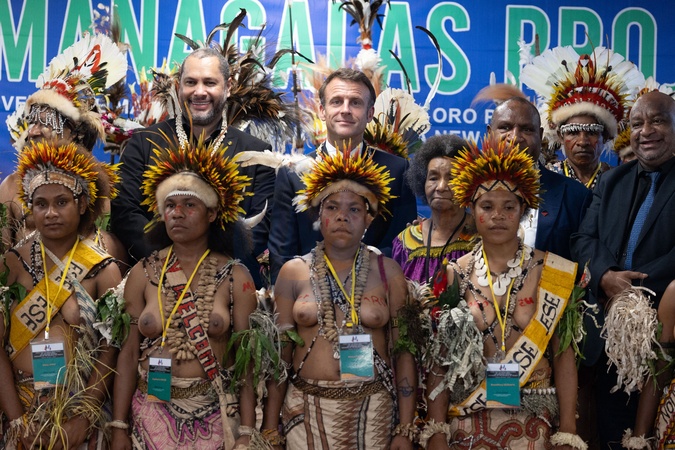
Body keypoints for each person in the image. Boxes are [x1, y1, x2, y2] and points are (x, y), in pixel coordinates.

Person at [423, 136, 581, 450]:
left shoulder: (551, 272)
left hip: (535, 418)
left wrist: (567, 430)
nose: (498, 215)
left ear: (523, 210)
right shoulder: (453, 274)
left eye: (509, 207)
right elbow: (441, 359)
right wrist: (437, 428)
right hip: (468, 418)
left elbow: (564, 356)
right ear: (471, 209)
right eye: (487, 206)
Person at [110, 137, 259, 449]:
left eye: (190, 205)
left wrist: (246, 430)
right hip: (149, 416)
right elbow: (127, 354)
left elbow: (246, 362)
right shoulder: (142, 273)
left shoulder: (235, 277)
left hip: (215, 416)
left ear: (212, 213)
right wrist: (119, 425)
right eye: (170, 206)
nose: (177, 213)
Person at [262, 148, 416, 449]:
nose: (342, 216)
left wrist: (405, 427)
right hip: (304, 415)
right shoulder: (293, 272)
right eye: (332, 207)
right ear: (318, 215)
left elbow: (404, 353)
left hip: (373, 414)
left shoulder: (388, 272)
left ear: (369, 218)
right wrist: (270, 427)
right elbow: (279, 357)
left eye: (354, 209)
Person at [110, 46, 275, 286]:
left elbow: (259, 229)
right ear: (178, 87)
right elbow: (125, 214)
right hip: (154, 280)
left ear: (228, 87)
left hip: (228, 283)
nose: (199, 92)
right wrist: (173, 263)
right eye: (190, 82)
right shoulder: (143, 143)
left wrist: (209, 268)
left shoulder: (257, 153)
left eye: (209, 83)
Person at [0, 139, 123, 449]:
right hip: (21, 409)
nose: (51, 213)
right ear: (30, 207)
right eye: (41, 204)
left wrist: (84, 416)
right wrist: (17, 420)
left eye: (62, 202)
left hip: (79, 408)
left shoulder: (103, 269)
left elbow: (111, 349)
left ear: (81, 205)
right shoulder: (11, 265)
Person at [570, 91, 675, 449]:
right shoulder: (612, 180)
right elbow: (583, 239)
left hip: (665, 333)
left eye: (658, 121)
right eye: (637, 123)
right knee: (610, 435)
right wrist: (605, 276)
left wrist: (635, 289)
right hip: (607, 336)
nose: (646, 131)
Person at [267, 68, 417, 283]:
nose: (345, 110)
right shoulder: (292, 174)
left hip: (376, 289)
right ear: (322, 110)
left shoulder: (398, 170)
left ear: (370, 113)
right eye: (336, 101)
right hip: (309, 291)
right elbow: (282, 253)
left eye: (355, 102)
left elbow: (402, 245)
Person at [0, 33, 128, 263]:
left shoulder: (101, 187)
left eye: (46, 122)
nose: (33, 132)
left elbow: (113, 253)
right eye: (31, 122)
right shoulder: (12, 186)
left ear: (77, 132)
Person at [521, 45, 645, 190]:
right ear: (560, 136)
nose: (582, 142)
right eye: (573, 132)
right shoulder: (541, 181)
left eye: (592, 132)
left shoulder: (620, 182)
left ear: (606, 136)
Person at [392, 134, 475, 283]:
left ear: (469, 184)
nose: (441, 187)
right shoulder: (405, 241)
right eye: (433, 178)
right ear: (422, 182)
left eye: (452, 178)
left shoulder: (480, 238)